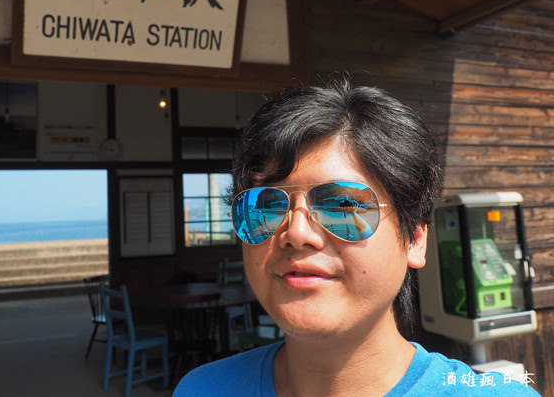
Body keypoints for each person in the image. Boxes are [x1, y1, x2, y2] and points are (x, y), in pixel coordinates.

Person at [174, 82, 540, 396]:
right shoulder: (201, 389)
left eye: (342, 206)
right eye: (265, 206)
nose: (295, 233)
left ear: (414, 238)